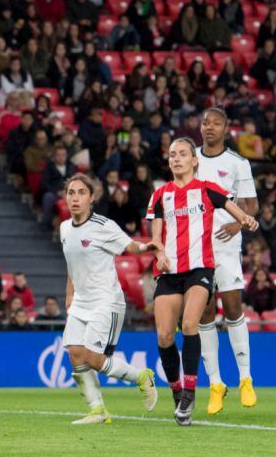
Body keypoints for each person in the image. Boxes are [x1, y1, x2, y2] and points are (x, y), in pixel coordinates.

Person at [146, 138, 258, 426]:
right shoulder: (160, 195)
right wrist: (159, 253)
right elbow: (156, 237)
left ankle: (190, 394)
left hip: (200, 269)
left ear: (194, 160)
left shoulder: (207, 189)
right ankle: (176, 391)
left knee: (190, 325)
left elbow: (236, 210)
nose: (177, 159)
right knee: (164, 337)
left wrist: (247, 220)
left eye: (183, 154)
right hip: (170, 273)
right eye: (172, 155)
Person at [60, 174, 159, 425]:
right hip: (81, 302)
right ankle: (98, 410)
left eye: (81, 192)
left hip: (106, 301)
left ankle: (141, 377)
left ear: (92, 198)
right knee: (74, 353)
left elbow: (130, 246)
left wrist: (150, 246)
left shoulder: (103, 226)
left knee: (93, 359)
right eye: (71, 192)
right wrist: (69, 293)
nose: (75, 198)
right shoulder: (64, 228)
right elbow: (73, 264)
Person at [195, 108, 260, 414]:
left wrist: (238, 223)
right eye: (206, 122)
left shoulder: (237, 163)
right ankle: (216, 384)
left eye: (216, 123)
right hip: (195, 246)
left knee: (233, 307)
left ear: (225, 129)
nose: (209, 127)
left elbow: (251, 204)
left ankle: (245, 378)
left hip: (226, 244)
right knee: (204, 313)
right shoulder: (189, 158)